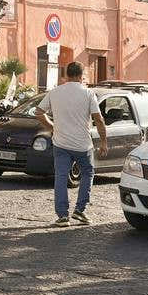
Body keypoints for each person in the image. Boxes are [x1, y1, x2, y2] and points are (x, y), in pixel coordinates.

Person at [35, 61, 108, 228]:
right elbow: (99, 119)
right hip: (83, 144)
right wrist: (104, 141)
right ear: (81, 76)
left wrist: (52, 127)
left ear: (66, 75)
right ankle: (80, 210)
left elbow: (39, 113)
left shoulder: (55, 92)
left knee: (61, 177)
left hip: (61, 143)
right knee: (88, 174)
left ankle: (62, 216)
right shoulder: (88, 93)